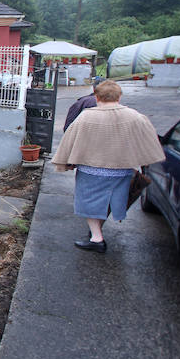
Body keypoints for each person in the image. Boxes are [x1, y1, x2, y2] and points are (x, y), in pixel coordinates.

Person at [51, 80, 165, 253]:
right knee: (109, 203)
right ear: (119, 96)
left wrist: (64, 162)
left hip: (91, 170)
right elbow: (149, 140)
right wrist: (144, 162)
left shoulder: (87, 116)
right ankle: (96, 232)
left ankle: (97, 238)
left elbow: (69, 139)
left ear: (97, 97)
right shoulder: (134, 116)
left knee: (89, 202)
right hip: (122, 171)